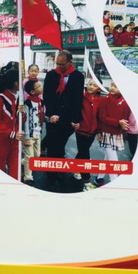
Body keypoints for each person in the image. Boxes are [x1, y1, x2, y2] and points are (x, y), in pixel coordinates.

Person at [42, 50, 84, 188]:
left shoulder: (78, 76)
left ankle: (59, 166)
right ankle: (51, 173)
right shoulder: (51, 75)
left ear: (70, 62)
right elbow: (47, 96)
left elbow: (78, 99)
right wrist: (51, 114)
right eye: (57, 64)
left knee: (61, 144)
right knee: (52, 144)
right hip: (53, 117)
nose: (59, 67)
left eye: (62, 64)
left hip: (68, 118)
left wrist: (76, 119)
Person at [90, 82, 131, 189]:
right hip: (106, 132)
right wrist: (99, 131)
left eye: (116, 86)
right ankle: (114, 181)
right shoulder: (104, 100)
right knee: (113, 158)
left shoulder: (125, 102)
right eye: (112, 85)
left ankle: (99, 177)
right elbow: (102, 117)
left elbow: (125, 119)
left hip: (117, 133)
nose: (112, 88)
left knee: (108, 157)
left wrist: (123, 130)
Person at [0, 70, 24, 179]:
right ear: (15, 83)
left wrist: (22, 114)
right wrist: (12, 133)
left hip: (14, 142)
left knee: (16, 173)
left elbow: (19, 120)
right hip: (1, 142)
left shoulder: (17, 99)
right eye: (21, 80)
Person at [74, 79, 101, 183]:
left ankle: (75, 167)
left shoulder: (101, 101)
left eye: (94, 85)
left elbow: (100, 117)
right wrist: (74, 121)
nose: (91, 86)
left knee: (82, 152)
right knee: (85, 153)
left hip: (92, 132)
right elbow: (75, 110)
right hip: (81, 130)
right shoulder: (81, 97)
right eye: (90, 84)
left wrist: (99, 131)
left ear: (99, 89)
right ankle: (86, 179)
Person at [22, 79, 44, 186]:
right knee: (30, 157)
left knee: (36, 155)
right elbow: (25, 121)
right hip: (29, 134)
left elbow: (42, 116)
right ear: (32, 92)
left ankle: (24, 161)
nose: (41, 87)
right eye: (39, 86)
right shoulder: (27, 103)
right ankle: (28, 177)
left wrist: (49, 119)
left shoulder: (41, 102)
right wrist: (26, 136)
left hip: (38, 133)